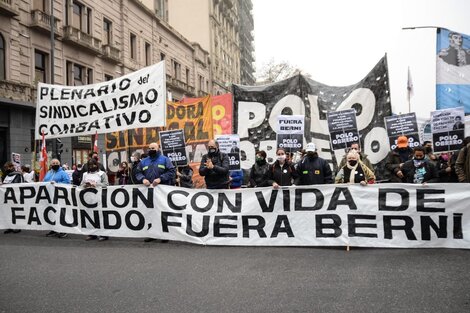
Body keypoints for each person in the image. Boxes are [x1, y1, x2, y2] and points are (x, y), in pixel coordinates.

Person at [135, 142, 176, 243]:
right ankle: (153, 234)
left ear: (158, 149)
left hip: (162, 192)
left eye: (153, 148)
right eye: (149, 148)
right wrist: (142, 179)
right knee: (151, 213)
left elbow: (172, 172)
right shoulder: (144, 161)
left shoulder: (165, 160)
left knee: (163, 212)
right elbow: (137, 172)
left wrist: (161, 179)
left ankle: (165, 235)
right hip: (149, 192)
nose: (150, 150)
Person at [81, 158, 109, 241]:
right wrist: (85, 185)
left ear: (96, 165)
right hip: (88, 199)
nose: (91, 166)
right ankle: (92, 234)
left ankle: (103, 234)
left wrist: (96, 184)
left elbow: (106, 184)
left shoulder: (102, 174)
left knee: (101, 216)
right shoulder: (85, 174)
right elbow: (81, 185)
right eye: (90, 165)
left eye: (93, 164)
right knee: (90, 216)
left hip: (99, 198)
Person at [42, 159, 71, 238]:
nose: (55, 164)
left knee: (61, 213)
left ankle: (63, 230)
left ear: (59, 164)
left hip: (60, 196)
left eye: (56, 163)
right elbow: (44, 181)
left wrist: (57, 184)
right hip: (50, 196)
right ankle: (54, 229)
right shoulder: (49, 173)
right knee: (52, 212)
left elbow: (68, 183)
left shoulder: (63, 173)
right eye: (53, 163)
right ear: (51, 165)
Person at [2, 162, 24, 234]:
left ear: (11, 167)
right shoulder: (7, 176)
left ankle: (17, 227)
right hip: (8, 197)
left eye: (7, 167)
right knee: (9, 212)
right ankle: (10, 226)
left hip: (15, 196)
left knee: (16, 212)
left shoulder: (17, 175)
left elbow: (17, 185)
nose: (6, 169)